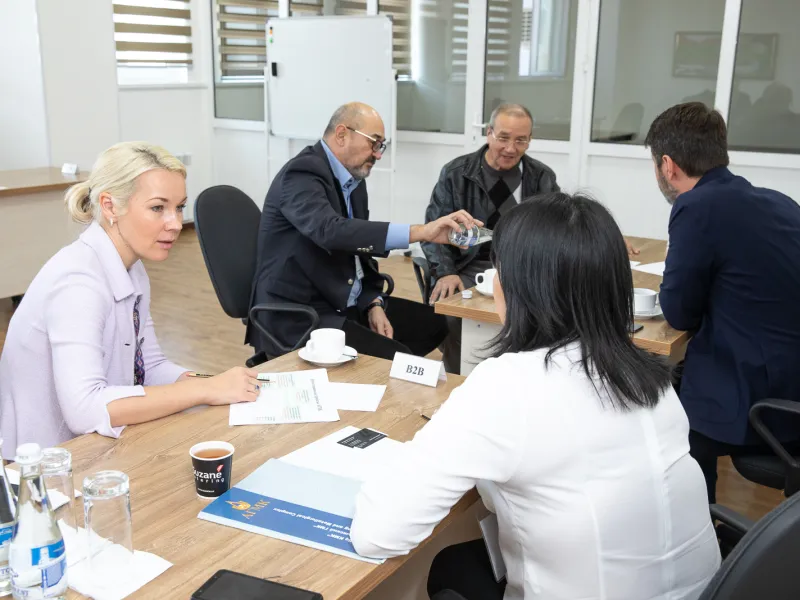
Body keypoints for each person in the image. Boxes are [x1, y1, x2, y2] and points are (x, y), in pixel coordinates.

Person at [351, 193, 720, 600]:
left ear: (518, 287)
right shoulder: (649, 375)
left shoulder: (508, 385)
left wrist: (394, 464)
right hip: (698, 591)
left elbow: (377, 535)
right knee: (458, 565)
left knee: (447, 570)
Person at [0, 142, 259, 458]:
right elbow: (83, 409)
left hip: (92, 448)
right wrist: (204, 389)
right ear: (110, 207)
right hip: (45, 469)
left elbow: (149, 366)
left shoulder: (131, 269)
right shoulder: (77, 283)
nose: (176, 223)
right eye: (157, 208)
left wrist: (217, 382)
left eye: (179, 207)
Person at [645, 102, 800, 503]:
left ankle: (696, 528)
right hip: (791, 384)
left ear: (667, 166)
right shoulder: (778, 201)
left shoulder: (695, 206)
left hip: (758, 400)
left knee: (659, 405)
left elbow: (679, 312)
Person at [247, 102, 481, 361]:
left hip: (343, 300)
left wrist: (373, 301)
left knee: (434, 325)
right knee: (397, 360)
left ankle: (362, 384)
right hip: (302, 312)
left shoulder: (353, 180)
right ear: (341, 134)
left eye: (381, 146)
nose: (378, 155)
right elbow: (330, 231)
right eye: (374, 143)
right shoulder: (301, 173)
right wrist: (421, 232)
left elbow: (360, 250)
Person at [422, 103, 636, 372]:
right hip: (468, 267)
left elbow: (563, 222)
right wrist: (444, 272)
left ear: (530, 140)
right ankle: (459, 377)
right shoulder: (456, 173)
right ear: (489, 133)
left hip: (527, 267)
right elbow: (433, 229)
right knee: (458, 318)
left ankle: (527, 375)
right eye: (503, 138)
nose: (511, 148)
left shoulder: (541, 176)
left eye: (521, 140)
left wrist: (603, 236)